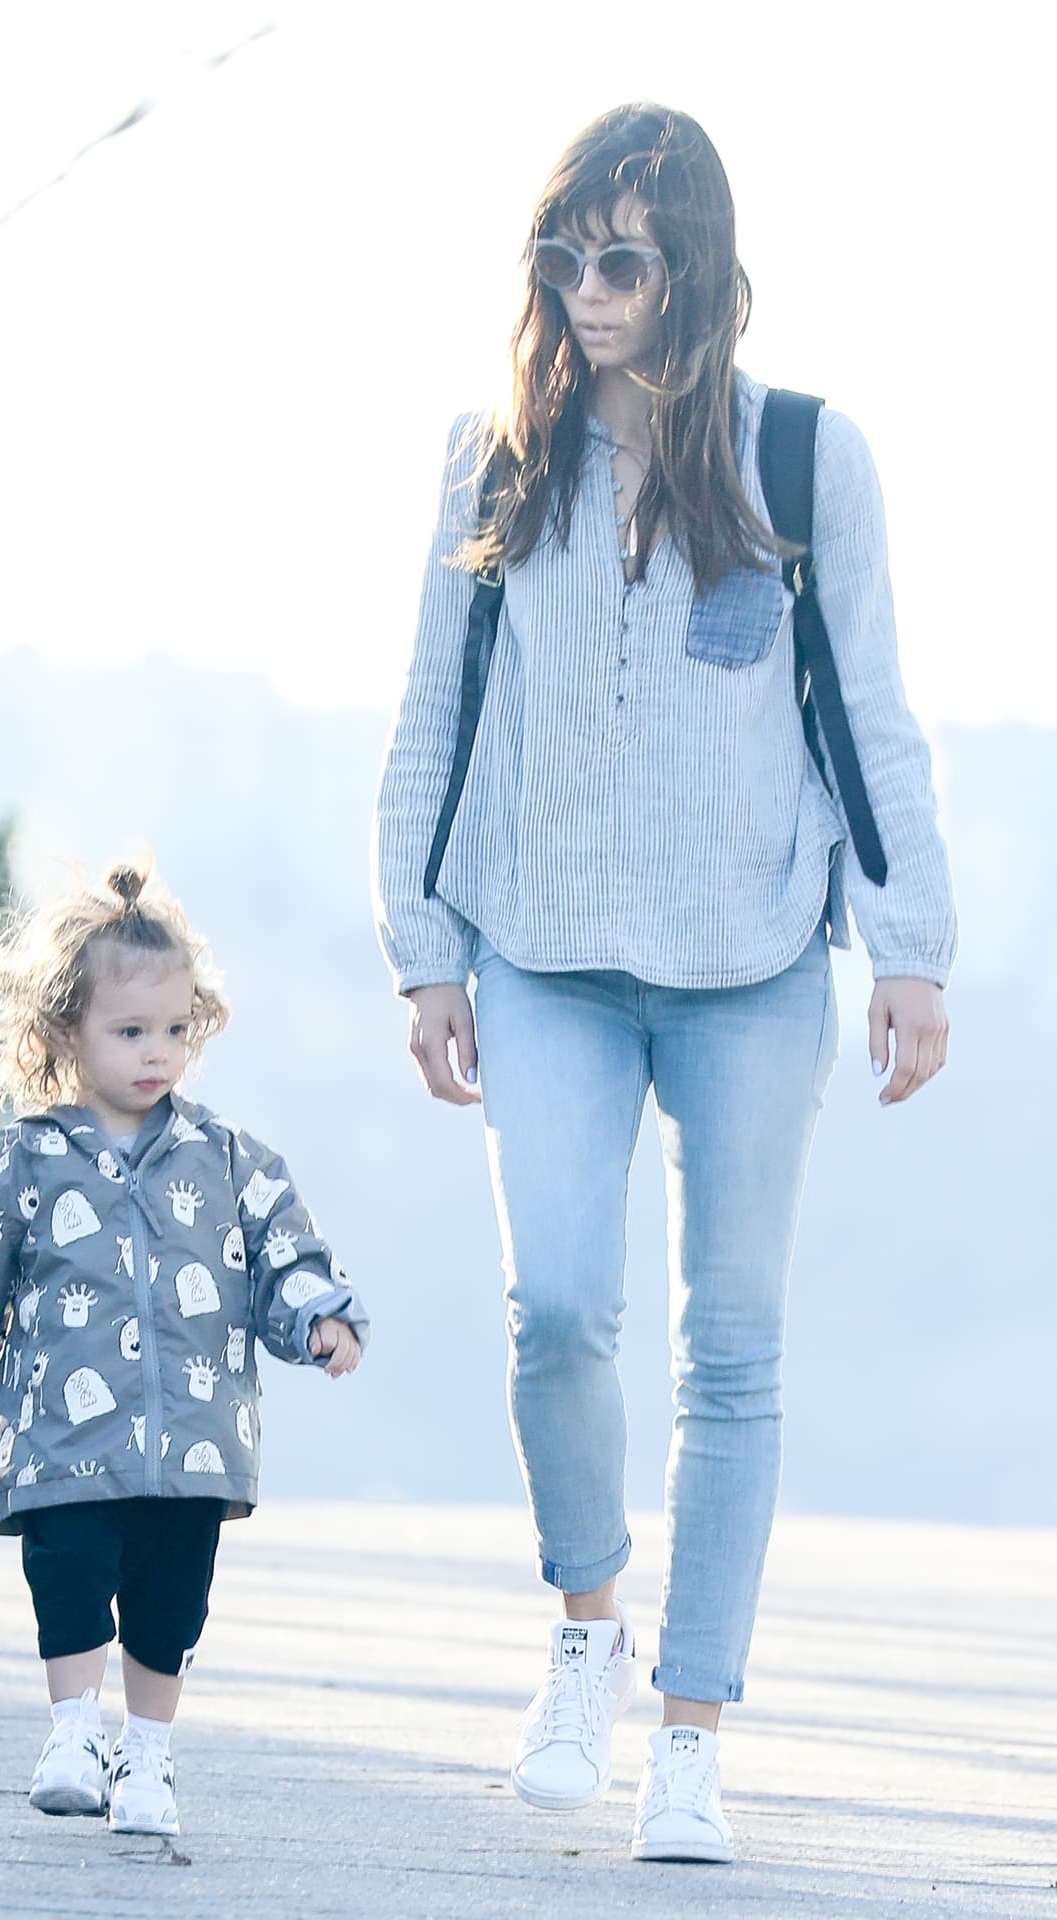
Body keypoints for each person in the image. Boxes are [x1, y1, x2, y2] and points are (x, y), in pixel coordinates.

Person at [372, 102, 954, 1865]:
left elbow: (866, 715)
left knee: (736, 1347)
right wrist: (425, 951)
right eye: (565, 256)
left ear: (694, 268)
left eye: (621, 257)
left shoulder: (801, 458)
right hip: (541, 954)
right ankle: (585, 1625)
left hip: (754, 961)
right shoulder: (499, 456)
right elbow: (437, 714)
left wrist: (909, 943)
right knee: (555, 1312)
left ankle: (689, 1730)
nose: (588, 288)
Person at [0, 861, 367, 1837]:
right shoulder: (18, 1163)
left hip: (190, 1438)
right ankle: (71, 1732)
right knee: (67, 1573)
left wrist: (316, 1315)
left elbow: (284, 1250)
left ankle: (147, 1756)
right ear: (64, 1034)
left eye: (176, 1030)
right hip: (61, 1436)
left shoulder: (228, 1161)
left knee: (167, 1604)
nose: (158, 1054)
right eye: (130, 1032)